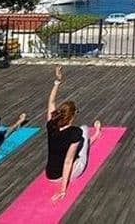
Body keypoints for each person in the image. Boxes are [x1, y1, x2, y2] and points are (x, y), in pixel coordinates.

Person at [46, 66, 102, 202]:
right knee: (84, 130)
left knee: (80, 135)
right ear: (72, 116)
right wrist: (63, 190)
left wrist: (57, 81)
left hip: (50, 175)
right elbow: (68, 162)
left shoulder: (51, 124)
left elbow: (51, 102)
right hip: (66, 175)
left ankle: (93, 137)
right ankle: (96, 135)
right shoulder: (74, 132)